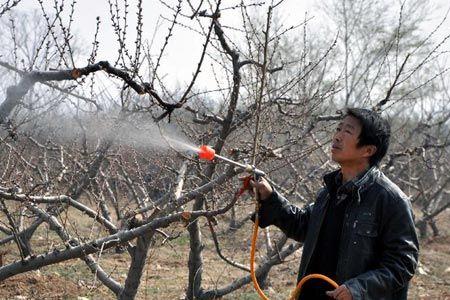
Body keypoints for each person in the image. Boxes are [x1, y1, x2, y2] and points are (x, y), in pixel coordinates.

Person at [251, 108, 419, 300]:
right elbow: (303, 226)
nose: (337, 136)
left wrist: (358, 289)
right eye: (338, 129)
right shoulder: (330, 192)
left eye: (347, 131)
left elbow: (403, 263)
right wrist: (270, 197)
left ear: (368, 150)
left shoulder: (391, 200)